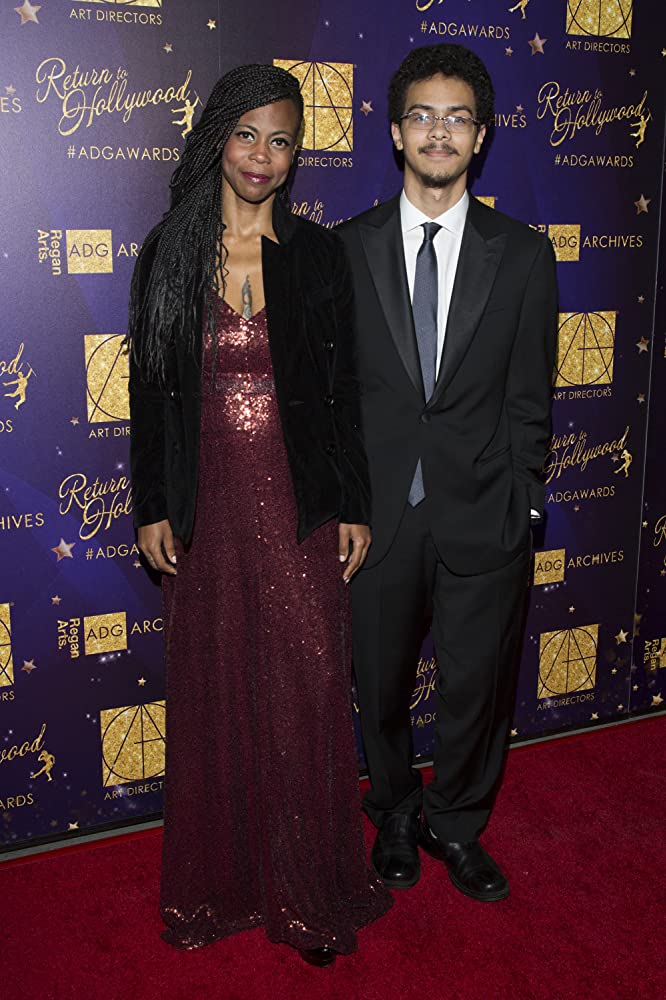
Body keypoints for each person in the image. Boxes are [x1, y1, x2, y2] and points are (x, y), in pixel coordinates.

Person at [127, 63, 391, 967]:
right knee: (216, 689)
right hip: (206, 508)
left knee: (307, 688)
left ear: (295, 155)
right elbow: (150, 395)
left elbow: (344, 393)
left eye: (281, 141)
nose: (261, 156)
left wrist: (354, 503)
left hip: (299, 503)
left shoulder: (318, 256)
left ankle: (311, 886)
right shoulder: (168, 253)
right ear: (217, 140)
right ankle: (225, 885)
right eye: (247, 134)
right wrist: (153, 505)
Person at [338, 44, 557, 900]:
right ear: (396, 132)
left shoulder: (524, 255)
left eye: (457, 118)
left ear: (482, 135)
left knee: (477, 688)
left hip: (485, 513)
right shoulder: (345, 249)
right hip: (376, 520)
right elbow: (332, 399)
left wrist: (523, 502)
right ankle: (394, 810)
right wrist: (343, 504)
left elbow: (531, 398)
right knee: (380, 686)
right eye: (422, 117)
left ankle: (457, 821)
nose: (439, 132)